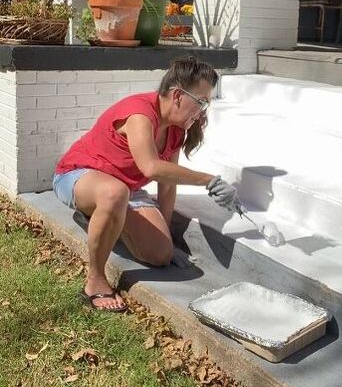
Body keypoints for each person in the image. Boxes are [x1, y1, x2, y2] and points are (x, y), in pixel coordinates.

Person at [53, 56, 241, 313]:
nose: (201, 113)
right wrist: (209, 181)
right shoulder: (140, 114)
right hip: (79, 176)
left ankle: (104, 218)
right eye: (201, 102)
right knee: (113, 193)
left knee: (160, 255)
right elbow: (151, 168)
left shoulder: (176, 130)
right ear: (177, 96)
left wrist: (169, 237)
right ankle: (95, 279)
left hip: (125, 190)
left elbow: (166, 183)